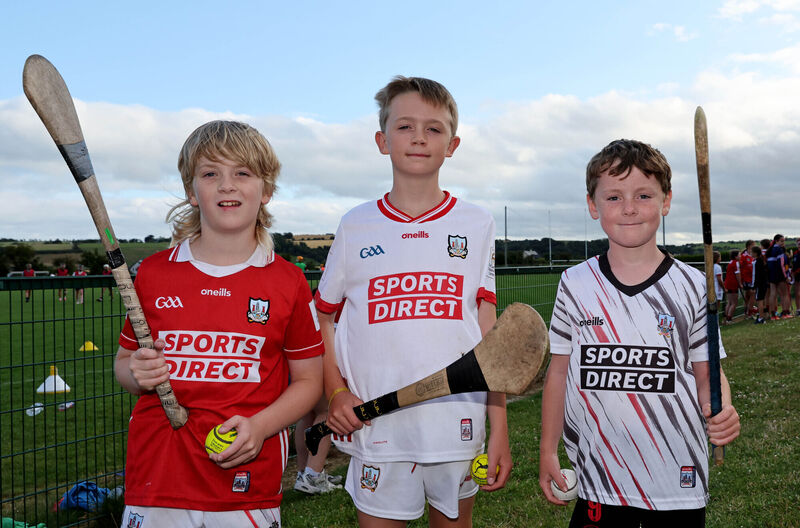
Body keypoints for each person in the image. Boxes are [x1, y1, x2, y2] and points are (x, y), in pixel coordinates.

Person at [315, 76, 509, 527]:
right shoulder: (355, 225)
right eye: (405, 127)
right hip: (378, 425)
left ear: (453, 145)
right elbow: (322, 318)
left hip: (457, 424)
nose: (419, 137)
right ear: (382, 141)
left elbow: (488, 332)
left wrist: (499, 428)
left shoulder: (477, 224)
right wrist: (336, 391)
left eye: (434, 128)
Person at [114, 120, 324, 528]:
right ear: (193, 193)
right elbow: (124, 364)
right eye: (211, 174)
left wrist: (261, 426)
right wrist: (136, 372)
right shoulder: (155, 274)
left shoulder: (287, 281)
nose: (227, 185)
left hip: (248, 484)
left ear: (265, 191)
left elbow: (309, 383)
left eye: (242, 173)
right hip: (158, 481)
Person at [539, 139, 740, 527]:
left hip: (677, 482)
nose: (629, 208)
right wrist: (548, 448)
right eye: (613, 197)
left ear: (665, 202)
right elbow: (559, 372)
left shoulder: (694, 285)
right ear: (592, 205)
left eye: (644, 195)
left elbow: (706, 374)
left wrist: (721, 408)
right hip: (598, 477)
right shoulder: (574, 283)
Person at [766, 234, 792, 319]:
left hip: (771, 275)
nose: (783, 243)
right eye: (781, 241)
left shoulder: (770, 250)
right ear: (776, 241)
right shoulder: (779, 250)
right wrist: (786, 276)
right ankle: (785, 313)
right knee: (784, 294)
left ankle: (773, 314)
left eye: (784, 241)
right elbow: (781, 265)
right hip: (780, 274)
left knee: (773, 294)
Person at [723, 250, 741, 324]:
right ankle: (729, 319)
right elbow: (737, 274)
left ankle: (726, 318)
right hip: (733, 284)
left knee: (729, 302)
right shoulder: (736, 263)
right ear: (735, 256)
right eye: (739, 255)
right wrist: (740, 283)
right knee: (734, 303)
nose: (740, 256)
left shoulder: (730, 262)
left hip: (727, 284)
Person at [739, 240, 756, 317]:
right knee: (751, 294)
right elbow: (741, 267)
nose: (755, 246)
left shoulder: (753, 255)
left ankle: (748, 310)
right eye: (753, 245)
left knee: (749, 295)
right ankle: (749, 311)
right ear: (749, 246)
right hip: (746, 279)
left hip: (752, 278)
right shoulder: (744, 256)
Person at [752, 246, 768, 324]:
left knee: (759, 301)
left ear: (755, 253)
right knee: (762, 300)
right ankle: (763, 316)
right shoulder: (762, 261)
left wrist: (754, 286)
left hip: (759, 284)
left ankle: (761, 318)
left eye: (752, 252)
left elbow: (756, 275)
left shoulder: (756, 262)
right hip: (764, 283)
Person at [792, 240, 800, 316]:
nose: (799, 245)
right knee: (797, 292)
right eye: (798, 244)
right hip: (796, 275)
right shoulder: (795, 253)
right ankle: (798, 309)